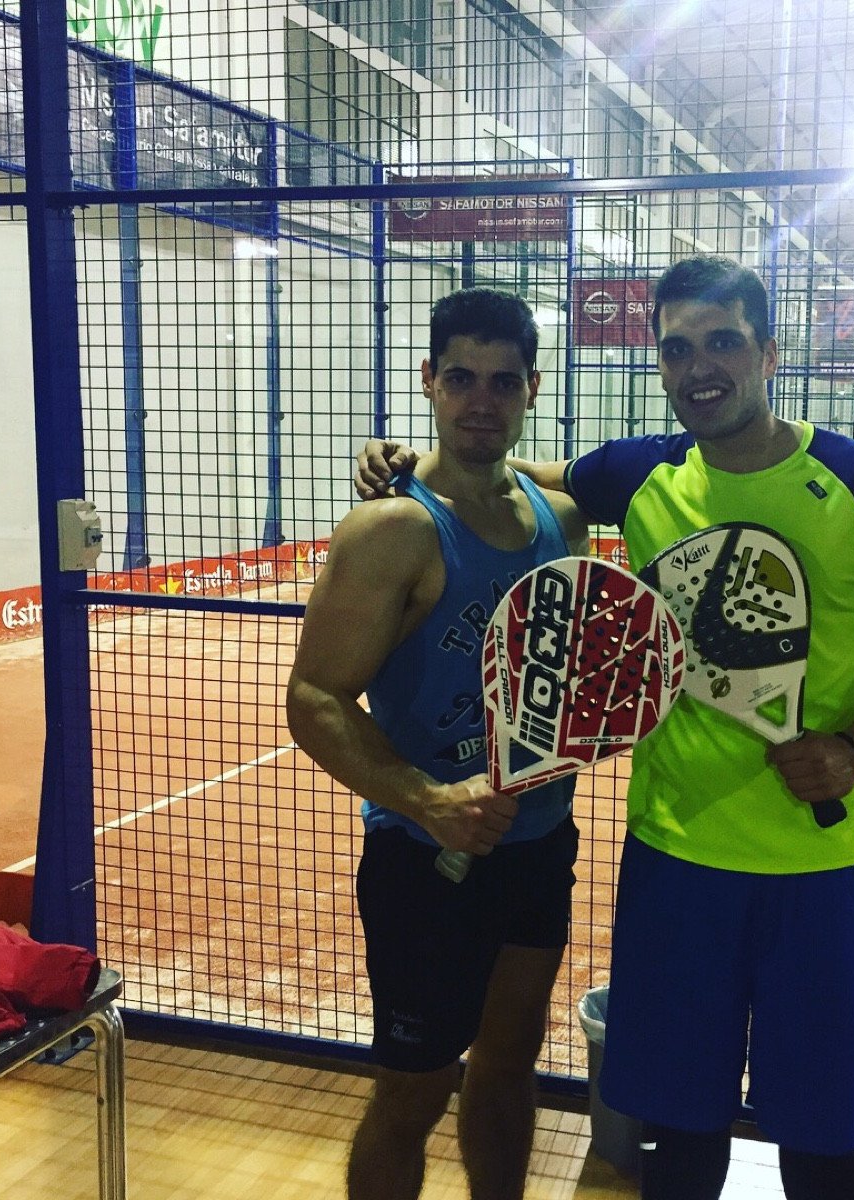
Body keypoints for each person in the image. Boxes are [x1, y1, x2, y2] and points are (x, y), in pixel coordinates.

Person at [355, 256, 854, 1200]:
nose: (701, 368)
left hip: (821, 871)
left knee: (824, 1144)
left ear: (768, 353)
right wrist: (402, 460)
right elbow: (511, 472)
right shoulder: (640, 473)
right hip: (675, 861)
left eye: (723, 342)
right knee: (680, 1140)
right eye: (678, 349)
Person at [288, 287, 588, 1200]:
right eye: (461, 378)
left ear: (533, 388)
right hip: (425, 862)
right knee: (413, 1092)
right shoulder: (393, 529)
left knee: (508, 1063)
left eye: (503, 381)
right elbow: (314, 699)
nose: (481, 401)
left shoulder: (563, 521)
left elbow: (554, 678)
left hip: (538, 844)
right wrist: (428, 801)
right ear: (429, 381)